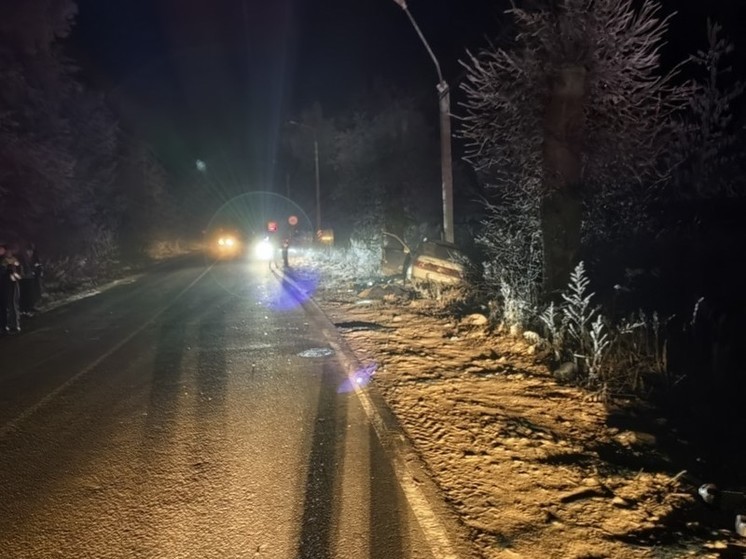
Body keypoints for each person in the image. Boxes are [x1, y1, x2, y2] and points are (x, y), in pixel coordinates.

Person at [0, 244, 22, 334]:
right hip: (4, 285)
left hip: (11, 284)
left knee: (12, 304)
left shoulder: (13, 261)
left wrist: (12, 274)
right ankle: (5, 325)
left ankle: (14, 325)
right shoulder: (3, 261)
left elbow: (18, 273)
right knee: (5, 306)